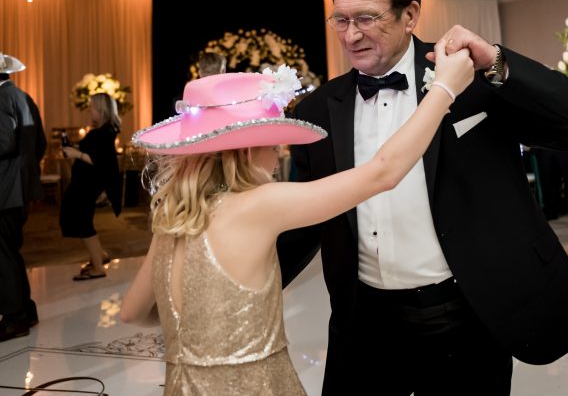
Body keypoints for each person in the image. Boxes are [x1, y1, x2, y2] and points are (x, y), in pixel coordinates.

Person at [278, 0, 568, 395]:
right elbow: (307, 213)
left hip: (464, 313)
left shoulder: (469, 79)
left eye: (367, 18)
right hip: (363, 322)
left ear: (410, 14)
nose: (351, 35)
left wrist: (498, 61)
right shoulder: (318, 110)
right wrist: (237, 279)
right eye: (341, 19)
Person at [119, 46, 474, 393]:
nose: (277, 159)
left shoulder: (174, 218)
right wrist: (444, 89)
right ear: (245, 151)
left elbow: (132, 312)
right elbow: (382, 174)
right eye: (273, 146)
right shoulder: (261, 205)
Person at [0, 53, 46, 342]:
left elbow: (4, 142)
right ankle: (25, 310)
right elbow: (39, 144)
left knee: (3, 254)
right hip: (20, 189)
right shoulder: (22, 96)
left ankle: (15, 317)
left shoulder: (3, 99)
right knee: (10, 251)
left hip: (4, 189)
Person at [60, 93, 122, 280]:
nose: (89, 110)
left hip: (88, 184)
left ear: (101, 110)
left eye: (92, 107)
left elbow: (100, 160)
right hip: (85, 182)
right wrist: (76, 152)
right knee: (78, 220)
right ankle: (99, 256)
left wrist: (76, 154)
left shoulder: (103, 133)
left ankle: (98, 267)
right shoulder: (105, 130)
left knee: (83, 223)